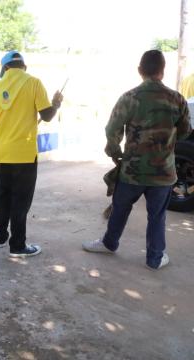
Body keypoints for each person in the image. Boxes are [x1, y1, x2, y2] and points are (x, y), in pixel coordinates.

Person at [82, 50, 192, 270]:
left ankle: (109, 243)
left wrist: (114, 151)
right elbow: (185, 132)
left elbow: (112, 129)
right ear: (162, 71)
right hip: (163, 172)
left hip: (132, 171)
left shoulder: (129, 97)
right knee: (157, 216)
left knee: (120, 208)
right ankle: (155, 258)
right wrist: (167, 143)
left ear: (140, 71)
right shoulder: (177, 99)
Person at [0, 50, 63, 258]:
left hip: (3, 154)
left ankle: (0, 237)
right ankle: (18, 245)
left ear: (5, 69)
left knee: (2, 198)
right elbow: (46, 116)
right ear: (23, 67)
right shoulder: (34, 83)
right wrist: (56, 103)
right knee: (20, 200)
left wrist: (6, 138)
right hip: (25, 155)